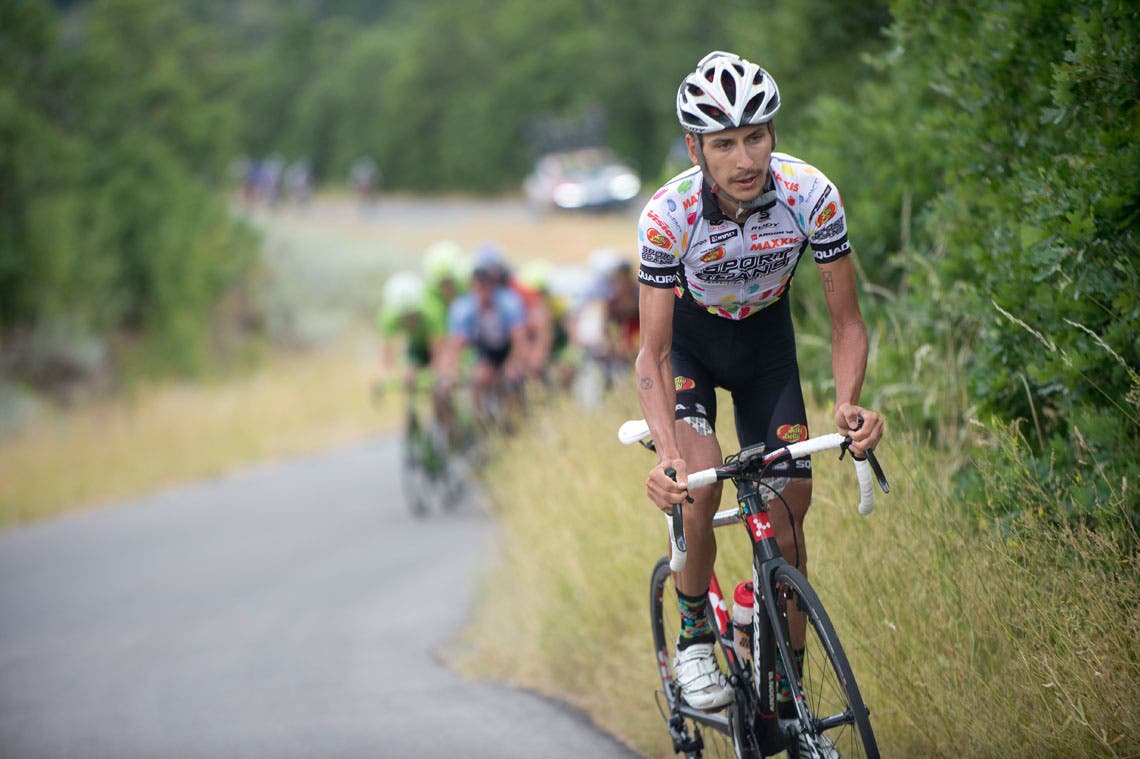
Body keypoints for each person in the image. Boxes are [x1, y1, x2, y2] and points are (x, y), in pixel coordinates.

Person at [635, 51, 885, 712]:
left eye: (756, 136)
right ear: (696, 148)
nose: (745, 159)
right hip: (690, 347)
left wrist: (850, 405)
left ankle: (790, 699)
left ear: (773, 133)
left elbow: (847, 325)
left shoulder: (811, 194)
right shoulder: (669, 215)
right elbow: (652, 355)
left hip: (765, 347)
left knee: (788, 504)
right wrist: (666, 451)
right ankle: (693, 634)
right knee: (700, 479)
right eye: (724, 143)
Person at [438, 246, 528, 425]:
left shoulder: (508, 303)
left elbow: (520, 339)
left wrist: (514, 363)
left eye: (487, 286)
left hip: (508, 348)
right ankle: (482, 425)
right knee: (478, 379)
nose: (483, 292)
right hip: (486, 351)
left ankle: (517, 424)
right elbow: (456, 343)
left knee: (512, 382)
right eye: (478, 287)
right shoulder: (464, 308)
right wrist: (450, 370)